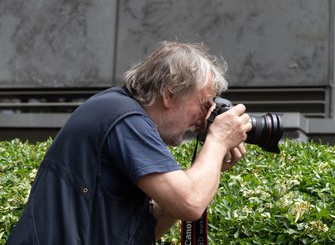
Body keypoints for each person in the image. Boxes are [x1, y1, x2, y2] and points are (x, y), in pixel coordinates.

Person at [7, 41, 252, 244]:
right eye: (204, 104)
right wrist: (218, 141)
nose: (205, 118)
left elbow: (142, 230)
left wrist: (208, 170)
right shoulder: (123, 118)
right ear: (169, 94)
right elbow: (189, 203)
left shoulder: (118, 110)